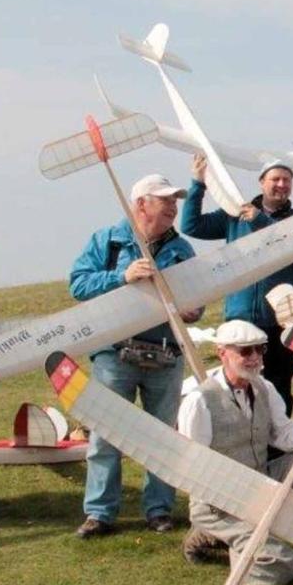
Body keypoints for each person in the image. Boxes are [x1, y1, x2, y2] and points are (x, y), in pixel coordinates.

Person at [70, 174, 202, 538]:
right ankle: (100, 513)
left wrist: (193, 311)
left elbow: (197, 300)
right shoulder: (106, 241)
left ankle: (159, 509)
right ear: (141, 204)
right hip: (114, 354)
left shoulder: (183, 249)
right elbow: (78, 284)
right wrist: (121, 276)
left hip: (166, 354)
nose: (174, 206)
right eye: (165, 199)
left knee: (163, 436)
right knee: (106, 435)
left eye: (175, 200)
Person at [177, 320, 293, 585]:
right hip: (219, 502)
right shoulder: (199, 401)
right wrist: (231, 504)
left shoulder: (264, 388)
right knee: (281, 566)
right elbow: (192, 467)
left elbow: (285, 436)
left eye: (260, 350)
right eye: (245, 352)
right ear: (222, 353)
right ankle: (208, 535)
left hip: (260, 484)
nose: (255, 358)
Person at [180, 155, 293, 412]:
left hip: (281, 322)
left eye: (287, 180)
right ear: (261, 183)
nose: (281, 184)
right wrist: (198, 184)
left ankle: (276, 449)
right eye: (275, 179)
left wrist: (259, 221)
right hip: (240, 320)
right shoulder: (235, 215)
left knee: (279, 390)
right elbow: (191, 226)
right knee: (238, 387)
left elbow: (289, 246)